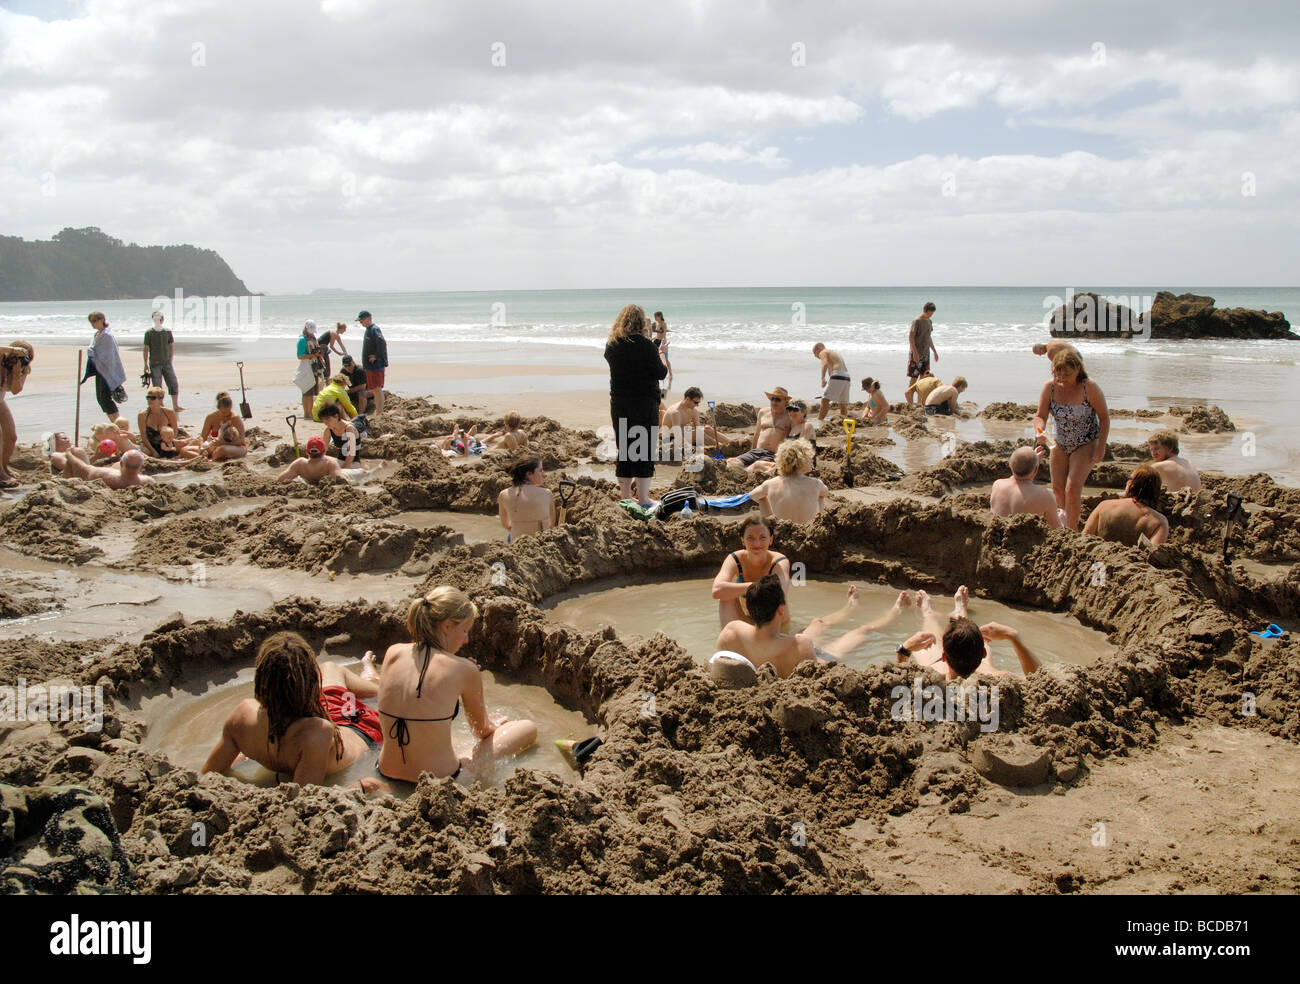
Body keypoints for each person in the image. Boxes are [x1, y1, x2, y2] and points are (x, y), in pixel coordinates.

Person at [376, 587, 538, 784]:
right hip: (440, 780)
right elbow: (481, 731)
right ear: (446, 627)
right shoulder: (464, 669)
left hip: (385, 771)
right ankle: (473, 769)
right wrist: (493, 724)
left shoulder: (393, 652)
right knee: (526, 729)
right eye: (464, 630)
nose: (466, 639)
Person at [201, 631, 384, 793]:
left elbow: (208, 776)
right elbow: (304, 800)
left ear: (262, 680)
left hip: (308, 712)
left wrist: (247, 750)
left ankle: (372, 677)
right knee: (334, 670)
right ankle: (373, 678)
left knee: (330, 668)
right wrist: (356, 788)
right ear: (311, 683)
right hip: (362, 728)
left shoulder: (241, 715)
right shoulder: (317, 732)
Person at [715, 575, 910, 678]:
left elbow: (719, 666)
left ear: (749, 610)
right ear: (781, 610)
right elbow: (814, 681)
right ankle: (897, 611)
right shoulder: (801, 643)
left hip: (777, 645)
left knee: (817, 623)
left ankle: (850, 607)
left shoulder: (731, 631)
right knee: (863, 630)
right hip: (820, 659)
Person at [1034, 348, 1110, 530]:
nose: (1061, 378)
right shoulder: (1050, 387)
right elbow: (1040, 416)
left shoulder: (1088, 387)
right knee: (1058, 489)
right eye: (1057, 373)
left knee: (1072, 489)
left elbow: (1104, 417)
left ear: (1078, 369)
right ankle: (1063, 524)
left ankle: (1073, 530)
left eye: (1067, 374)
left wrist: (1101, 446)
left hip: (1086, 442)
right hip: (1059, 442)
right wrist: (1039, 431)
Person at [897, 586, 1042, 680]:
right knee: (967, 638)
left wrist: (905, 649)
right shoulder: (999, 679)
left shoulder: (930, 680)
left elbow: (893, 681)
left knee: (928, 642)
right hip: (981, 670)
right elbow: (1039, 680)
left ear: (944, 656)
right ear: (983, 653)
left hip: (941, 667)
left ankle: (928, 613)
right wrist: (1012, 635)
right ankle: (960, 611)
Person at [604, 304, 669, 506]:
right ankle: (642, 498)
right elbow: (661, 373)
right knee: (644, 448)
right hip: (644, 403)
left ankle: (625, 496)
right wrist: (660, 353)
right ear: (642, 323)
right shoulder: (647, 346)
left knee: (625, 447)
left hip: (620, 403)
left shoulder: (612, 345)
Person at [711, 514, 793, 629]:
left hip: (772, 623)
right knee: (725, 597)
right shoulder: (735, 559)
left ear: (771, 539)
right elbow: (716, 591)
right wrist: (754, 586)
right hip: (745, 619)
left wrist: (748, 588)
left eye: (763, 537)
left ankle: (774, 641)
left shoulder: (779, 561)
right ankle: (730, 643)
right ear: (742, 540)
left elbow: (779, 594)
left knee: (776, 600)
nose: (757, 544)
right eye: (750, 538)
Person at [1082, 465, 1169, 547]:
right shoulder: (1159, 522)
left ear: (1132, 484)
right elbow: (1153, 554)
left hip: (1099, 559)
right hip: (1131, 562)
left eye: (1129, 479)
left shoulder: (1104, 505)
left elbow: (1084, 539)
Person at [751, 439, 827, 524]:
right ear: (802, 461)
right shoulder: (816, 484)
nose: (812, 460)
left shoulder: (770, 484)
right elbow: (825, 492)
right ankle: (818, 524)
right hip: (807, 531)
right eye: (810, 458)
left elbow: (753, 495)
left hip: (782, 530)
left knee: (761, 498)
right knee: (821, 496)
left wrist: (767, 504)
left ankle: (771, 523)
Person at [989, 446, 1062, 527]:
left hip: (998, 535)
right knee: (1063, 516)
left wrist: (1032, 461)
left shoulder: (997, 484)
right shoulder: (1046, 496)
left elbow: (1017, 477)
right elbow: (1057, 529)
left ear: (1010, 465)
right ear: (1036, 470)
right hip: (1025, 538)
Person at [726, 386, 791, 470]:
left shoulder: (789, 416)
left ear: (785, 402)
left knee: (758, 465)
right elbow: (756, 435)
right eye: (772, 399)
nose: (774, 402)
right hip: (756, 451)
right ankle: (748, 470)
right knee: (730, 462)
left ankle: (748, 470)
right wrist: (751, 451)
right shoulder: (763, 412)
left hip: (773, 455)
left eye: (778, 400)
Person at [498, 457, 556, 542]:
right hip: (542, 544)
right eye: (540, 470)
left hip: (517, 543)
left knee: (510, 535)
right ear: (529, 474)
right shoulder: (547, 494)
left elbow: (505, 524)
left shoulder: (503, 495)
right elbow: (552, 523)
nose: (544, 474)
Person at [1, 340, 34, 487]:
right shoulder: (1, 358)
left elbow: (15, 390)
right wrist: (13, 350)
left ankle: (4, 466)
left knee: (11, 436)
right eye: (16, 356)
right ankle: (0, 474)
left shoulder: (24, 368)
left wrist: (15, 373)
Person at [660, 387, 728, 457]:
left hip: (683, 435)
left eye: (698, 403)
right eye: (695, 402)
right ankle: (722, 448)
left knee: (707, 429)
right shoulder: (675, 412)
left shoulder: (693, 410)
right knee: (698, 433)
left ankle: (731, 444)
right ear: (687, 399)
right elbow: (678, 437)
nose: (697, 405)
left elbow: (698, 428)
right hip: (670, 439)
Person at [87, 312, 126, 423]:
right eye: (91, 321)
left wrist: (93, 353)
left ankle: (119, 424)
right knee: (101, 399)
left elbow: (110, 354)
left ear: (102, 320)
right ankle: (114, 423)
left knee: (105, 398)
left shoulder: (107, 335)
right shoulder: (96, 335)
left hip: (108, 370)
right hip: (99, 369)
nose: (93, 323)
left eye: (95, 320)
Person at [51, 447, 154, 488]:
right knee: (77, 452)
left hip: (86, 477)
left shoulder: (108, 476)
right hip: (127, 477)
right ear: (141, 467)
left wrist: (69, 454)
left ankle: (62, 483)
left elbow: (84, 468)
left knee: (75, 454)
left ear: (122, 464)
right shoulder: (148, 481)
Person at [143, 309, 184, 413]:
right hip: (154, 363)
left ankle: (175, 405)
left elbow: (171, 346)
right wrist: (145, 364)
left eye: (160, 318)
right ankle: (160, 406)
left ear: (162, 319)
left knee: (173, 383)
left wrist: (170, 360)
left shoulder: (167, 332)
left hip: (166, 363)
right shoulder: (149, 333)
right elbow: (146, 348)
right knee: (157, 386)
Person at [198, 392, 247, 462]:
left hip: (236, 447)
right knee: (185, 450)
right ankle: (203, 457)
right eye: (223, 413)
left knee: (221, 450)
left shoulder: (235, 418)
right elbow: (203, 437)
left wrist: (222, 443)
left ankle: (210, 461)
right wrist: (202, 447)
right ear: (218, 408)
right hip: (215, 447)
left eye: (228, 413)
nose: (226, 415)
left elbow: (241, 441)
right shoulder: (210, 417)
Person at [138, 385, 185, 458]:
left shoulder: (169, 412)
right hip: (150, 446)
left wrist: (169, 444)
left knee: (186, 445)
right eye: (148, 398)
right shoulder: (143, 415)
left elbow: (175, 431)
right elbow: (144, 437)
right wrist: (153, 451)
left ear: (160, 399)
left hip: (167, 443)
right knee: (140, 451)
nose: (149, 400)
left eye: (153, 398)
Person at [277, 435, 345, 483]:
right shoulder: (329, 463)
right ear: (324, 451)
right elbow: (341, 480)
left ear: (307, 452)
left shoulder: (300, 463)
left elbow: (280, 479)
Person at [359, 311, 388, 417]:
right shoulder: (368, 330)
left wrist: (376, 356)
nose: (361, 322)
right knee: (375, 389)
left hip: (375, 365)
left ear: (368, 318)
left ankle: (379, 413)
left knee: (377, 388)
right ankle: (378, 411)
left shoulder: (374, 329)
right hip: (370, 366)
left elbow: (382, 343)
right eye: (360, 321)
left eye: (362, 320)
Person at [813, 343, 852, 422]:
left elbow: (824, 363)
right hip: (846, 377)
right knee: (842, 404)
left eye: (815, 353)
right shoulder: (833, 353)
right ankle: (843, 422)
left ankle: (820, 421)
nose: (815, 356)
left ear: (819, 348)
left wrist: (822, 378)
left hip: (838, 375)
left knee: (825, 400)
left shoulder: (823, 352)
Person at [294, 321, 324, 420]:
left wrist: (319, 354)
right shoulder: (302, 340)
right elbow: (300, 356)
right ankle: (307, 413)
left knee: (312, 392)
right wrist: (313, 355)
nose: (312, 333)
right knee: (306, 391)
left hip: (314, 367)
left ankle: (310, 413)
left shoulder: (313, 338)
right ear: (306, 329)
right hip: (307, 367)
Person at [319, 402, 361, 468]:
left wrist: (344, 468)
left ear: (336, 416)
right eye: (323, 420)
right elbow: (323, 450)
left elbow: (351, 453)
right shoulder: (328, 430)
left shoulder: (349, 428)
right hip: (339, 460)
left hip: (353, 462)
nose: (325, 422)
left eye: (328, 419)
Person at [907, 301, 938, 385]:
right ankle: (909, 397)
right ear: (925, 310)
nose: (930, 315)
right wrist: (915, 353)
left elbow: (928, 337)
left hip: (926, 354)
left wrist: (934, 351)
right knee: (914, 377)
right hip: (917, 353)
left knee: (924, 377)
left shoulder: (929, 321)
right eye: (929, 313)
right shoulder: (917, 321)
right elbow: (911, 337)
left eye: (932, 314)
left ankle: (920, 398)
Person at [652, 312, 673, 398]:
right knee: (656, 357)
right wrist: (653, 337)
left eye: (656, 317)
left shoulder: (663, 323)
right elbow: (658, 334)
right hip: (657, 340)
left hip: (662, 341)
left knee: (665, 358)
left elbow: (662, 332)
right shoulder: (657, 323)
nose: (655, 318)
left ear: (659, 316)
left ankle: (670, 373)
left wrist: (653, 329)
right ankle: (657, 371)